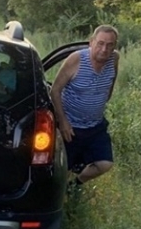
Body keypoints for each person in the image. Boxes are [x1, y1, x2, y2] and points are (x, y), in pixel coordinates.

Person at [50, 25, 120, 188]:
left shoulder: (114, 58)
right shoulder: (76, 60)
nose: (104, 49)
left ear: (114, 46)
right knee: (61, 169)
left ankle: (75, 185)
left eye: (110, 45)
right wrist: (63, 122)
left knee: (105, 164)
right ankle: (62, 194)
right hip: (71, 127)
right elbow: (55, 90)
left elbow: (111, 81)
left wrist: (102, 99)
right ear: (91, 42)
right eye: (100, 43)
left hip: (95, 125)